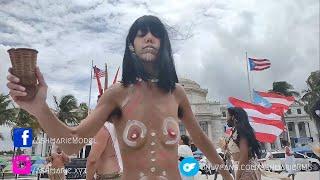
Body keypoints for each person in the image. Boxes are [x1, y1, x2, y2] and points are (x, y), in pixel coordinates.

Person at [7, 15, 232, 180]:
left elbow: (201, 139)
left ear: (163, 45)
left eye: (156, 34)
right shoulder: (117, 94)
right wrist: (39, 109)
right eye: (141, 34)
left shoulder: (177, 93)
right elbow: (73, 142)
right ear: (131, 45)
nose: (149, 38)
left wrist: (226, 174)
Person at [225, 107, 262, 180]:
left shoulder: (241, 131)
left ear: (233, 117)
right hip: (243, 169)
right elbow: (236, 153)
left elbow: (244, 156)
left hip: (246, 172)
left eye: (227, 116)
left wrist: (237, 176)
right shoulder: (235, 131)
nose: (226, 119)